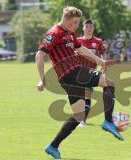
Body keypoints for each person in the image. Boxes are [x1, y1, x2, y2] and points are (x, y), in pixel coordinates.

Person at [35, 6, 123, 159]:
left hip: (68, 79)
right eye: (75, 22)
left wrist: (100, 61)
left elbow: (81, 49)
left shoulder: (69, 33)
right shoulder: (53, 33)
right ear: (67, 19)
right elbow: (40, 55)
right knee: (109, 83)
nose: (76, 26)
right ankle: (108, 121)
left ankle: (53, 146)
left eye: (77, 23)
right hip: (72, 73)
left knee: (80, 114)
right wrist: (41, 79)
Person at [76, 19, 106, 127]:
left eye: (91, 27)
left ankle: (82, 121)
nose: (88, 28)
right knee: (77, 97)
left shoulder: (98, 41)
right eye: (86, 26)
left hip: (90, 72)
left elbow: (103, 54)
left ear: (93, 29)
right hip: (77, 72)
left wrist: (103, 67)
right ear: (83, 28)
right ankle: (79, 117)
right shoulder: (77, 40)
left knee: (87, 96)